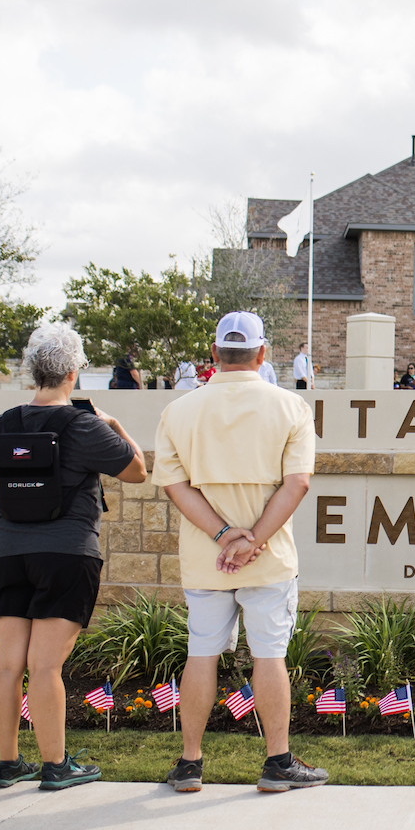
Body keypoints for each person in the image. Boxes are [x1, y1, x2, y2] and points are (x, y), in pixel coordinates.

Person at [152, 312, 325, 794]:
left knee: (201, 654)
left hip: (205, 558)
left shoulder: (179, 410)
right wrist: (253, 540)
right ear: (262, 354)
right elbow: (298, 484)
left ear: (214, 354)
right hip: (268, 560)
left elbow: (174, 485)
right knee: (269, 656)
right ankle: (277, 763)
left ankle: (189, 764)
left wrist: (226, 536)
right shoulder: (290, 407)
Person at [0, 322, 146, 791]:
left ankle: (9, 763)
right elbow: (137, 472)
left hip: (6, 553)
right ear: (73, 372)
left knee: (6, 663)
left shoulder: (4, 422)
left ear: (34, 372)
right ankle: (55, 765)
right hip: (66, 553)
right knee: (46, 666)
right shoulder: (85, 425)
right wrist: (114, 424)